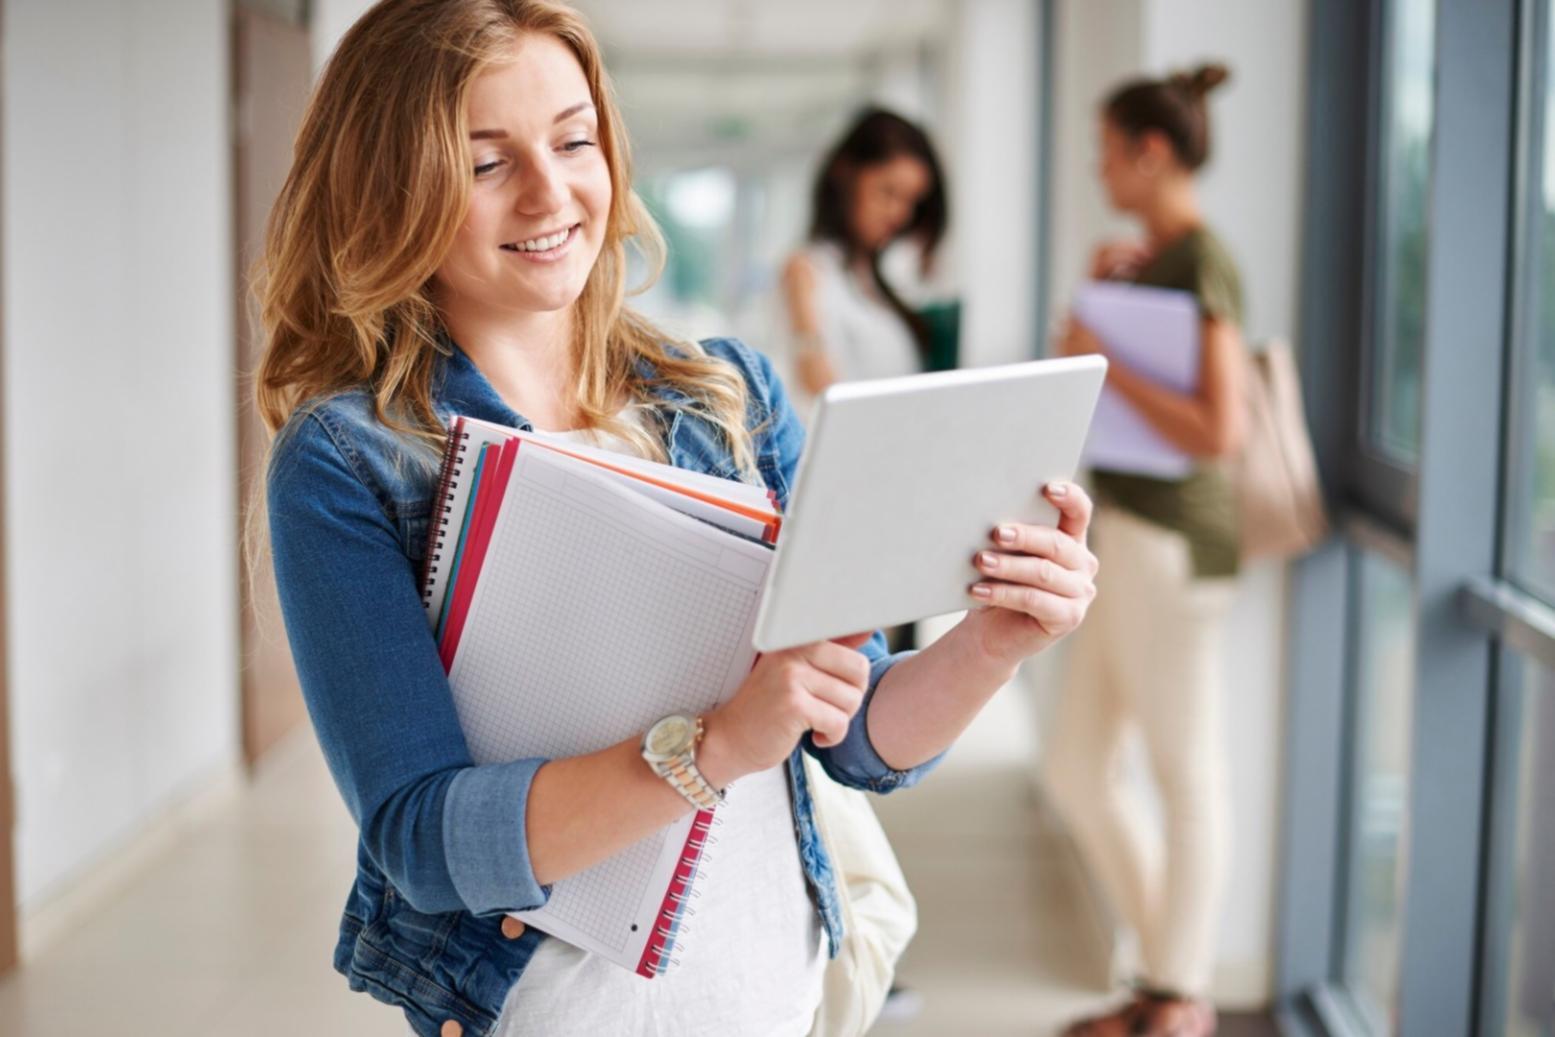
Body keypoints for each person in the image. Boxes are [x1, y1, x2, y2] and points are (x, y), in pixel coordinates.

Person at [255, 3, 1100, 1035]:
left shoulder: (725, 397)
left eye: (574, 140)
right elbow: (423, 841)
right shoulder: (352, 458)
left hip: (776, 989)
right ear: (394, 186)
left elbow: (860, 734)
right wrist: (714, 745)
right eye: (486, 163)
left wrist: (989, 645)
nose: (551, 190)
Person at [1045, 64, 1246, 1037]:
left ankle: (1175, 997)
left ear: (1148, 150)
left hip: (1175, 541)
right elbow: (1087, 384)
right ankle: (1165, 974)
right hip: (1125, 530)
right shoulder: (1154, 260)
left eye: (1105, 147)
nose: (1097, 166)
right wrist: (1099, 305)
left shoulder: (1206, 259)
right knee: (1077, 765)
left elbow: (1220, 427)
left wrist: (1108, 349)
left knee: (1184, 769)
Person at [781, 107, 948, 400]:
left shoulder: (880, 280)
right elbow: (819, 389)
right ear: (847, 176)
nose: (899, 214)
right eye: (887, 192)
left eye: (912, 201)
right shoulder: (806, 271)